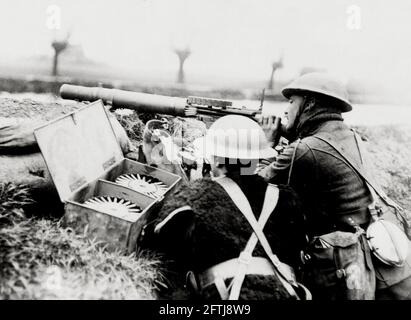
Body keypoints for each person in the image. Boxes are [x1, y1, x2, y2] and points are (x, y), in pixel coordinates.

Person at [257, 72, 411, 300]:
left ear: (309, 103)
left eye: (292, 101)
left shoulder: (305, 149)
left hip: (352, 267)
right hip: (391, 264)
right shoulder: (351, 136)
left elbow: (255, 185)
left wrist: (267, 143)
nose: (286, 109)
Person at [146, 115, 310, 300]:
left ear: (216, 158)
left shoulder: (194, 195)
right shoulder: (287, 198)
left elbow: (158, 245)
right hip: (285, 294)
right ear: (257, 158)